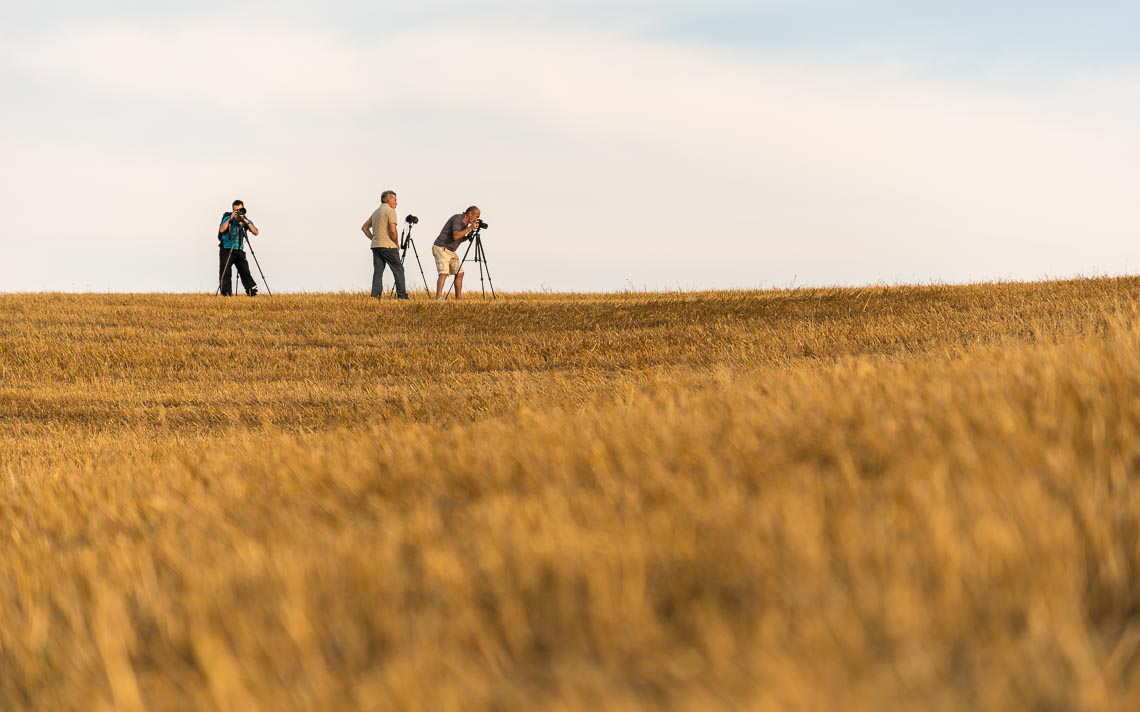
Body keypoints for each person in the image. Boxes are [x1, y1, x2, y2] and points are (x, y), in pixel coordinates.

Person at [361, 190, 408, 300]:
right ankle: (402, 296)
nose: (396, 203)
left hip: (376, 246)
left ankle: (375, 297)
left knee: (378, 272)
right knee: (398, 269)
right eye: (395, 200)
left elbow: (364, 228)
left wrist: (373, 238)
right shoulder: (390, 211)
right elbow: (393, 230)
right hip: (388, 246)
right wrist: (396, 243)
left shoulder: (376, 212)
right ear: (388, 200)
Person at [432, 206, 480, 300]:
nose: (476, 219)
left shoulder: (465, 224)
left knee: (460, 273)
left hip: (450, 250)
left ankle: (459, 299)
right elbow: (455, 235)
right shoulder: (458, 219)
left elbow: (458, 238)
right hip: (441, 247)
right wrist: (470, 228)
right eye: (476, 216)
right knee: (444, 273)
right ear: (470, 213)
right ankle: (438, 298)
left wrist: (467, 237)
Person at [218, 199, 260, 296]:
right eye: (236, 210)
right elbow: (221, 229)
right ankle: (226, 294)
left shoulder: (245, 220)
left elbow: (256, 232)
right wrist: (230, 219)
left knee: (245, 271)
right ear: (233, 210)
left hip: (239, 249)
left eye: (241, 210)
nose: (238, 212)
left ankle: (251, 292)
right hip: (226, 249)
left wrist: (246, 221)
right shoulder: (228, 218)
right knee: (225, 272)